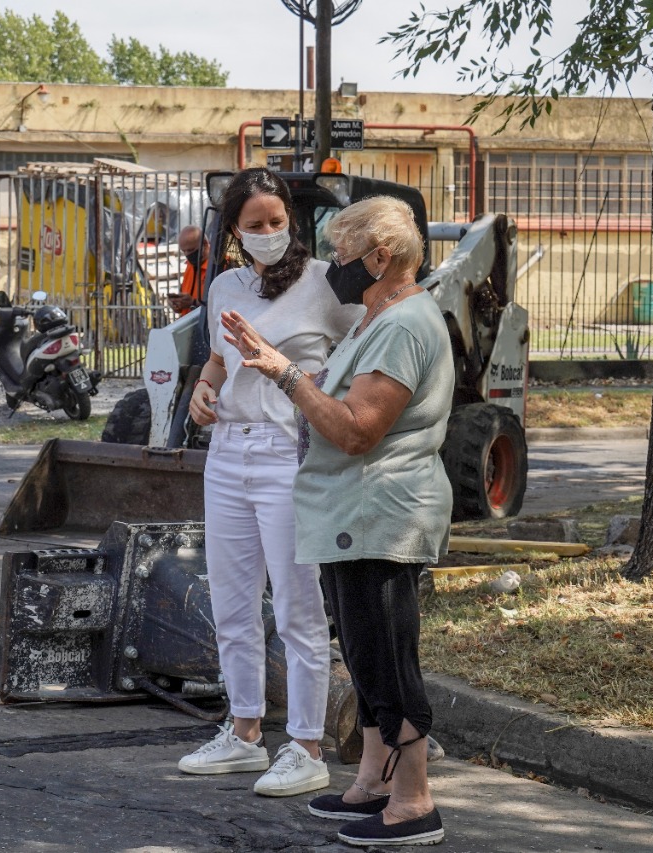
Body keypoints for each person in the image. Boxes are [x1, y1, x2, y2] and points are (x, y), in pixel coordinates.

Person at [219, 195, 453, 846]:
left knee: (386, 652)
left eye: (345, 256)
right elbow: (342, 393)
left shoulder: (405, 324)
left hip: (383, 509)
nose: (334, 268)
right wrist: (278, 362)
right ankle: (374, 782)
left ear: (381, 258)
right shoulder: (376, 318)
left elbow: (357, 429)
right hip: (355, 511)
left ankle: (413, 802)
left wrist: (287, 374)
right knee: (363, 647)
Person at [177, 167, 363, 798]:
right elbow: (218, 359)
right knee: (231, 602)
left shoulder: (321, 283)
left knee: (297, 605)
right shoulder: (225, 283)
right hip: (227, 453)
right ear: (233, 230)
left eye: (276, 223)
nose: (267, 234)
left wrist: (309, 387)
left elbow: (363, 343)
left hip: (289, 455)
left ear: (292, 220)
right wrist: (205, 388)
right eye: (254, 226)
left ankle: (306, 745)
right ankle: (245, 731)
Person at [167, 225, 209, 317]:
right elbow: (186, 293)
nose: (187, 254)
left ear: (205, 244)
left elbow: (221, 305)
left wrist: (193, 302)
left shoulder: (219, 266)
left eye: (190, 250)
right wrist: (177, 303)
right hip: (190, 325)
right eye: (184, 251)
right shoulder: (190, 266)